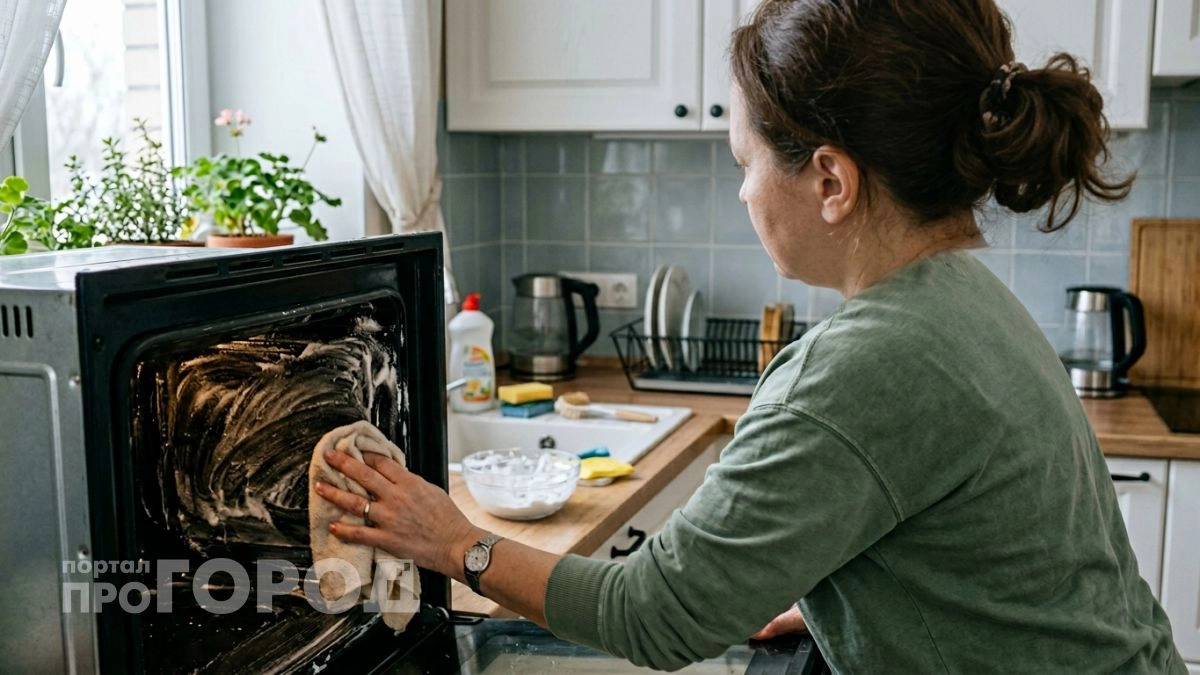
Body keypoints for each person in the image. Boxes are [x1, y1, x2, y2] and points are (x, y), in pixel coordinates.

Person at [314, 0, 1185, 671]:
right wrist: (848, 596)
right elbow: (986, 556)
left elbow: (650, 615)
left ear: (832, 181)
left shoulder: (864, 365)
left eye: (744, 163)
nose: (741, 192)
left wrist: (448, 538)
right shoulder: (964, 298)